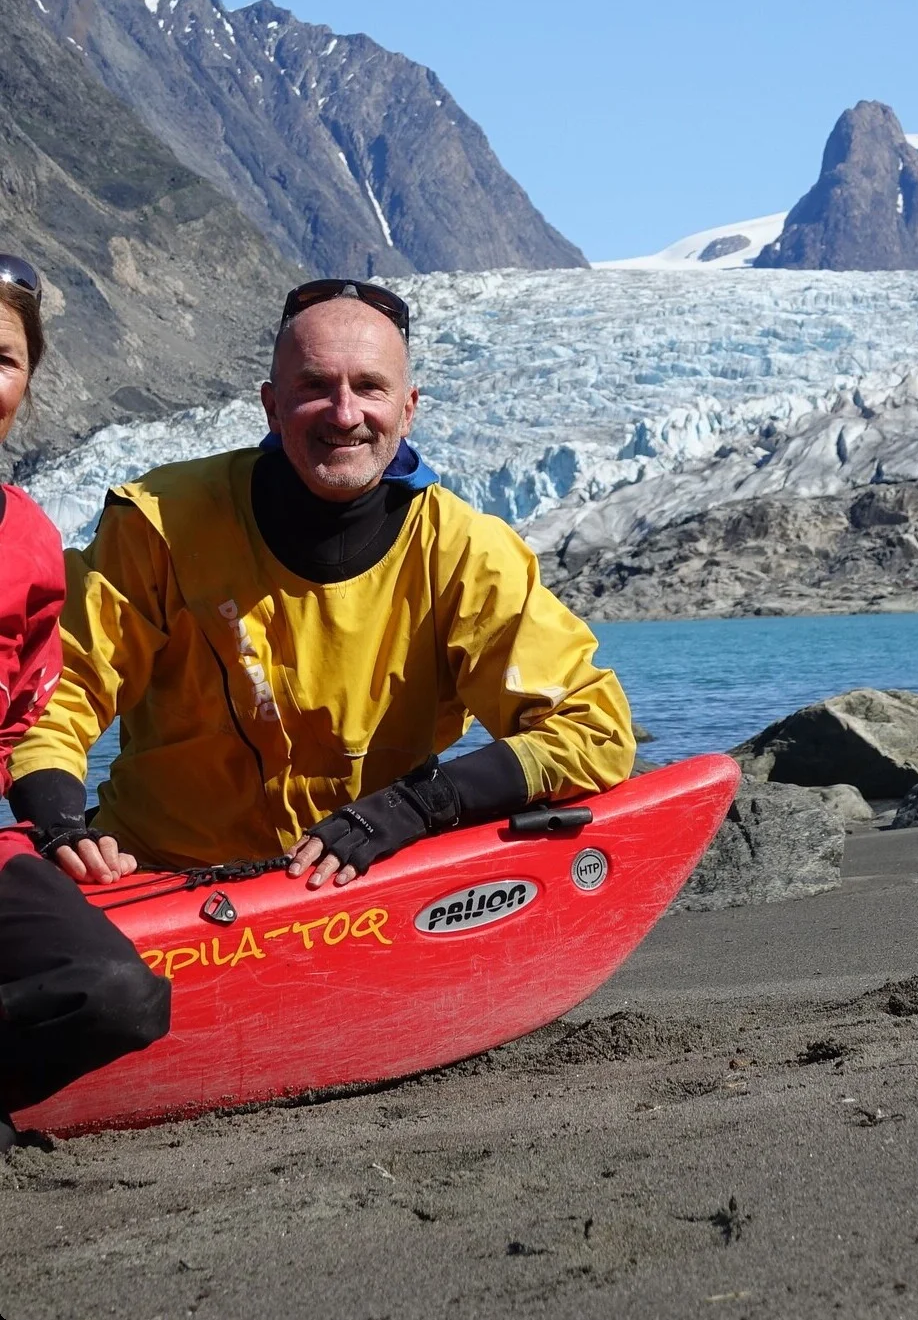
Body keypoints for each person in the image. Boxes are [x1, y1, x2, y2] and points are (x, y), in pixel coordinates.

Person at [9, 278, 635, 893]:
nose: (345, 415)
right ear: (271, 406)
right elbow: (54, 695)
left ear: (408, 408)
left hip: (364, 882)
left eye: (370, 388)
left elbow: (593, 732)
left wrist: (417, 806)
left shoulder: (465, 553)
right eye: (314, 387)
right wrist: (61, 827)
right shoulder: (160, 522)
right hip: (157, 879)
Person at [0, 254, 170, 1153]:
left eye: (2, 358)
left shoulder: (30, 540)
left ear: (28, 379)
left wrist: (60, 822)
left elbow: (26, 714)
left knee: (124, 994)